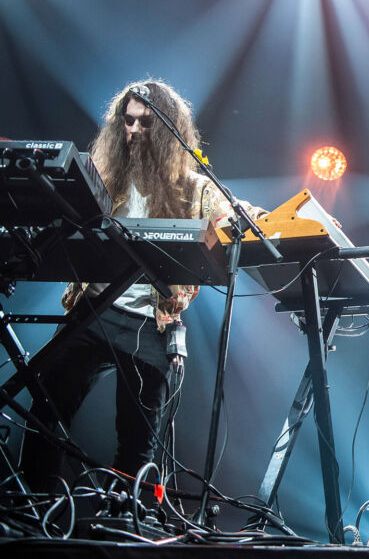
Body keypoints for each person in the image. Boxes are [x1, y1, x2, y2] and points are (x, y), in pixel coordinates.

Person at [19, 80, 267, 492]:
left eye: (145, 123)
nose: (132, 130)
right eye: (127, 121)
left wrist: (281, 221)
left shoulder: (195, 187)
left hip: (150, 325)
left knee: (137, 439)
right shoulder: (102, 174)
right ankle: (35, 502)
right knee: (46, 406)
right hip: (93, 310)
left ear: (169, 129)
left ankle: (126, 516)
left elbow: (236, 214)